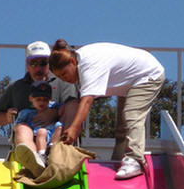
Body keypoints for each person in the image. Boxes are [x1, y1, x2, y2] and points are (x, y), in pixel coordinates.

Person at [48, 39, 165, 180]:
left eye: (64, 74)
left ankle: (136, 160)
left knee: (132, 115)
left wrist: (73, 128)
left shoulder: (88, 65)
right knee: (123, 126)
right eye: (59, 77)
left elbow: (87, 101)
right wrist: (74, 126)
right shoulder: (80, 64)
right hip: (129, 79)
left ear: (72, 63)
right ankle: (118, 158)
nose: (64, 79)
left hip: (147, 75)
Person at [0, 40, 78, 151]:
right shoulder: (16, 87)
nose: (38, 68)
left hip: (56, 134)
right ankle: (32, 158)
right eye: (33, 63)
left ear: (49, 64)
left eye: (43, 63)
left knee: (62, 125)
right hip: (28, 135)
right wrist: (7, 117)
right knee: (22, 128)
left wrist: (53, 113)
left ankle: (54, 153)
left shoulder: (63, 81)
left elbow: (74, 107)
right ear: (27, 65)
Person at [13, 81, 63, 167]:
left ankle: (52, 147)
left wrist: (55, 112)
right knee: (42, 131)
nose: (42, 103)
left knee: (60, 126)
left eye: (45, 100)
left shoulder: (54, 108)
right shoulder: (27, 113)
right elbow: (17, 126)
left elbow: (65, 107)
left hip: (51, 135)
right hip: (35, 137)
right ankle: (41, 155)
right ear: (31, 98)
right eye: (38, 99)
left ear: (50, 100)